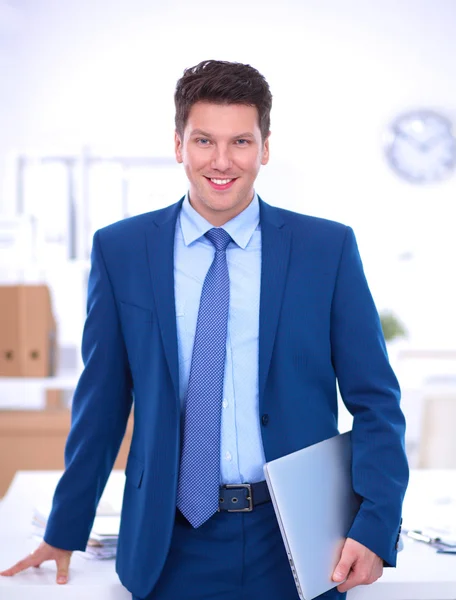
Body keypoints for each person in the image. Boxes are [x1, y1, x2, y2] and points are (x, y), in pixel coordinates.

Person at [1, 59, 408, 600]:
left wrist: (374, 525)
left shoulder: (325, 249)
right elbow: (100, 404)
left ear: (265, 147)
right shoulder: (122, 250)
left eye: (240, 141)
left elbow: (377, 401)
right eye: (203, 141)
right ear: (178, 145)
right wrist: (65, 529)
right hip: (167, 541)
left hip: (299, 538)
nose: (221, 161)